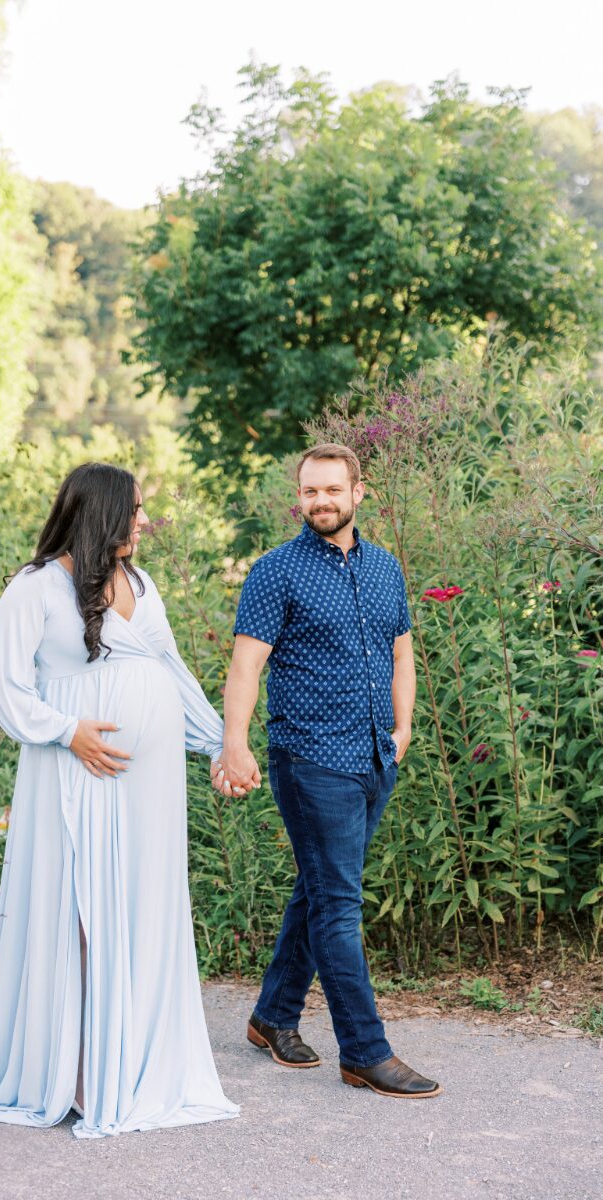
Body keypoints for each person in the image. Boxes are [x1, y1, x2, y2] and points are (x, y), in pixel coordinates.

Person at [0, 462, 243, 1137]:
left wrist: (219, 743)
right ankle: (68, 1067)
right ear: (98, 513)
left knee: (139, 904)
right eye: (132, 511)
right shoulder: (36, 589)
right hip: (74, 772)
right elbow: (3, 686)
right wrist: (67, 731)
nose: (143, 522)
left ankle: (131, 1062)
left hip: (146, 785)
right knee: (77, 903)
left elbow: (170, 669)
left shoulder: (141, 584)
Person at [217, 443, 439, 1099]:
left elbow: (402, 654)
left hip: (374, 757)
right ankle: (366, 1052)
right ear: (301, 497)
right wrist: (236, 743)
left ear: (357, 493)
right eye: (310, 491)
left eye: (331, 491)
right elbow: (245, 668)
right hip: (310, 759)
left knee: (318, 891)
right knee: (339, 906)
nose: (320, 501)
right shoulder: (274, 572)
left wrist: (402, 730)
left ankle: (272, 1016)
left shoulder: (386, 569)